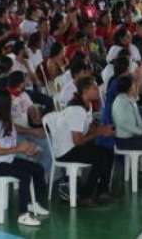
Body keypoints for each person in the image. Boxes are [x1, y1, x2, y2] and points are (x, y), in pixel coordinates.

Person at [0, 92, 49, 226]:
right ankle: (23, 215)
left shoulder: (6, 120)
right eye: (10, 101)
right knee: (25, 176)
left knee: (38, 169)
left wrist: (28, 149)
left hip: (7, 160)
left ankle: (32, 203)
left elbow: (11, 141)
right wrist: (18, 149)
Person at [53, 76, 116, 205]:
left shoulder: (87, 105)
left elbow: (89, 127)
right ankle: (85, 195)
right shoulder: (76, 110)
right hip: (66, 151)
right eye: (94, 88)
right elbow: (78, 141)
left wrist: (102, 129)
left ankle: (102, 191)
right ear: (85, 91)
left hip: (73, 146)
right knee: (100, 156)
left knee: (108, 152)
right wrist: (99, 132)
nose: (98, 90)